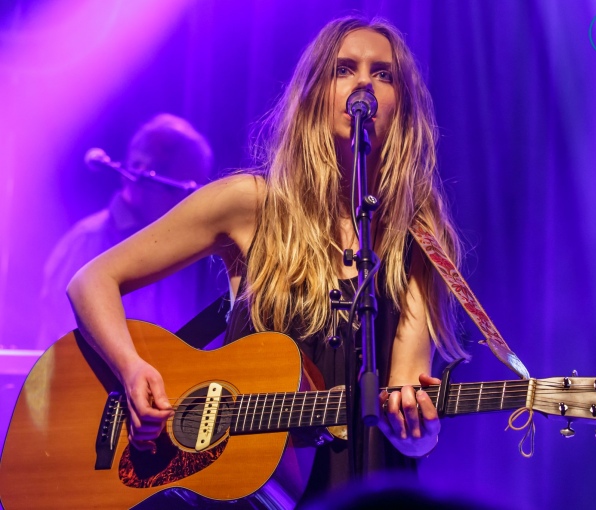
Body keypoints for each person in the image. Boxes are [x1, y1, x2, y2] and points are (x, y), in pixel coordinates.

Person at [67, 16, 468, 507]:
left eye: (383, 74)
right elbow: (92, 280)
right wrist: (132, 370)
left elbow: (410, 411)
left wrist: (417, 427)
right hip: (252, 494)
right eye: (344, 69)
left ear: (400, 106)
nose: (364, 82)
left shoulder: (418, 232)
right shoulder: (250, 204)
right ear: (314, 92)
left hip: (364, 489)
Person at [38, 114, 225, 348]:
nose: (189, 201)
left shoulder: (192, 251)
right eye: (182, 188)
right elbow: (69, 346)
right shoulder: (87, 241)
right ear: (139, 172)